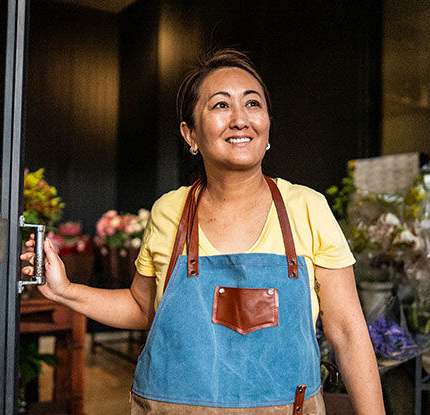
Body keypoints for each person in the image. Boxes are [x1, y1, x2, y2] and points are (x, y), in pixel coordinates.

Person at [23, 49, 384, 414]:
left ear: (268, 124)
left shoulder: (307, 208)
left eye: (253, 104)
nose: (240, 119)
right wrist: (65, 291)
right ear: (190, 134)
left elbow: (349, 334)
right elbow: (143, 307)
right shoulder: (170, 211)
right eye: (221, 106)